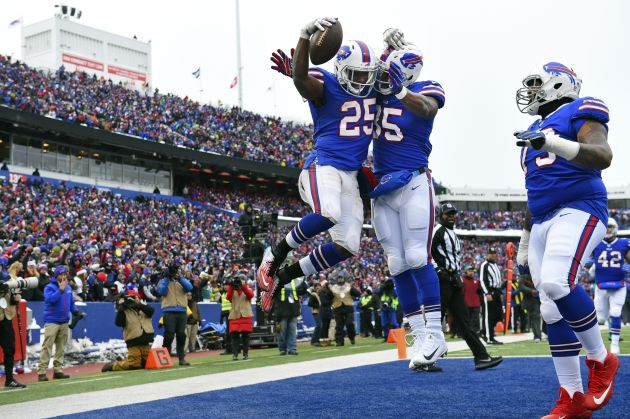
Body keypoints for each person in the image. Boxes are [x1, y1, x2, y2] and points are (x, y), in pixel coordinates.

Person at [514, 61, 618, 416]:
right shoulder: (532, 129)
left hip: (579, 207)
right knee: (549, 309)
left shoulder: (580, 109)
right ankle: (571, 400)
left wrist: (553, 142)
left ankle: (601, 359)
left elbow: (603, 156)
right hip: (543, 220)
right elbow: (534, 189)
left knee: (559, 283)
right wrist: (526, 240)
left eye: (536, 84)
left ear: (559, 84)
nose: (530, 91)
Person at [258, 17, 378, 313]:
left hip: (350, 174)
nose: (362, 81)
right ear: (341, 70)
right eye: (356, 75)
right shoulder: (328, 84)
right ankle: (275, 254)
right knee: (328, 212)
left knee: (348, 245)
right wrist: (303, 38)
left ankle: (283, 277)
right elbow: (301, 78)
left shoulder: (375, 90)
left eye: (366, 75)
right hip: (322, 166)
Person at [368, 30, 447, 368]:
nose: (383, 79)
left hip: (414, 181)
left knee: (417, 255)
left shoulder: (425, 88)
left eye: (391, 74)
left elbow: (428, 109)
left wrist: (400, 89)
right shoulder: (376, 91)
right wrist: (387, 46)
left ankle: (436, 334)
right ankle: (418, 334)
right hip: (383, 187)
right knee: (396, 263)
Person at [432, 204, 502, 370]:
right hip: (442, 281)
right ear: (441, 215)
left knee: (465, 322)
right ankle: (425, 359)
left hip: (454, 281)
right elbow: (427, 252)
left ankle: (481, 357)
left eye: (453, 214)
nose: (451, 216)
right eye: (448, 214)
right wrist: (439, 271)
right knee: (435, 321)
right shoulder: (438, 230)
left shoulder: (453, 234)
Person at [590, 218, 630, 355]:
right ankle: (599, 344)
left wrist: (627, 266)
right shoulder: (595, 243)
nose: (608, 230)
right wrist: (592, 266)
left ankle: (614, 344)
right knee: (600, 318)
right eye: (606, 227)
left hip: (619, 285)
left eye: (610, 227)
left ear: (615, 228)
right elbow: (585, 260)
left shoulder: (624, 243)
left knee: (616, 312)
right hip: (601, 286)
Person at [38, 265, 75, 381]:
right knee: (47, 347)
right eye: (61, 274)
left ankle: (58, 370)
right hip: (52, 321)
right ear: (56, 275)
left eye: (65, 274)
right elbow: (51, 300)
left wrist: (76, 311)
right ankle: (42, 372)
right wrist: (60, 290)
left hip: (64, 321)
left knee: (61, 347)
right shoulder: (49, 287)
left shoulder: (68, 288)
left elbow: (71, 302)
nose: (63, 276)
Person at [102, 290, 154, 372]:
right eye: (131, 298)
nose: (133, 299)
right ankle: (113, 365)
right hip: (133, 341)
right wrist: (122, 308)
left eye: (135, 297)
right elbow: (118, 323)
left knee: (148, 363)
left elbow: (151, 311)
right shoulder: (124, 310)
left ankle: (123, 360)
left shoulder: (144, 306)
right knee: (134, 365)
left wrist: (138, 305)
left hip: (145, 341)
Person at [157, 262, 193, 366]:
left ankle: (181, 358)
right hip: (168, 311)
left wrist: (180, 278)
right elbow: (162, 292)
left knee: (181, 335)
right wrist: (167, 278)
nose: (176, 273)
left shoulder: (182, 281)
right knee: (169, 335)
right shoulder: (163, 281)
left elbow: (189, 287)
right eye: (174, 271)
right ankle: (166, 357)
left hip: (182, 311)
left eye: (178, 271)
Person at [0, 271, 26, 388]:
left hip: (6, 319)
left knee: (9, 350)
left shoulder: (8, 279)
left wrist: (15, 298)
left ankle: (9, 379)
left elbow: (12, 300)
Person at [226, 274, 254, 360]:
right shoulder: (232, 290)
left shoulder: (248, 289)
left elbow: (250, 295)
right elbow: (228, 297)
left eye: (242, 280)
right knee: (235, 336)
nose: (240, 282)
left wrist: (243, 286)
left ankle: (245, 354)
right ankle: (235, 354)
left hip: (245, 315)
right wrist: (231, 286)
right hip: (235, 315)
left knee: (246, 336)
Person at [479, 249, 504, 345]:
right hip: (489, 291)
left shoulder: (495, 265)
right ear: (487, 255)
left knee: (498, 315)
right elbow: (482, 280)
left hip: (496, 291)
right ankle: (488, 337)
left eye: (494, 254)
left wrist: (500, 292)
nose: (493, 256)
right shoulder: (484, 265)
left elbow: (498, 280)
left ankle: (486, 333)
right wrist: (487, 293)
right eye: (491, 254)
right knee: (489, 315)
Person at [330, 272, 360, 346]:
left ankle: (352, 337)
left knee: (350, 323)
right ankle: (339, 341)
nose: (340, 279)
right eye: (339, 278)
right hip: (337, 308)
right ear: (337, 279)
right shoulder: (333, 287)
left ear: (344, 278)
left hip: (348, 307)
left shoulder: (348, 286)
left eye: (341, 278)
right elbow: (329, 296)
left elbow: (357, 294)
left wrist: (352, 289)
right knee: (339, 326)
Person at [519, 270, 542, 342]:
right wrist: (531, 291)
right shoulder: (524, 276)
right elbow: (521, 286)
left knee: (536, 317)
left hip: (538, 299)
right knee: (534, 317)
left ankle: (539, 335)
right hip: (529, 300)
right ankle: (537, 335)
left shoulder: (539, 274)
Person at [462, 265, 482, 336]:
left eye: (472, 271)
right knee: (467, 319)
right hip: (466, 303)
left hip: (476, 304)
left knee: (475, 319)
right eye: (469, 271)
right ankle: (468, 333)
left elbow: (480, 292)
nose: (471, 272)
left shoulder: (477, 281)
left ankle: (475, 332)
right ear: (465, 272)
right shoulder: (462, 280)